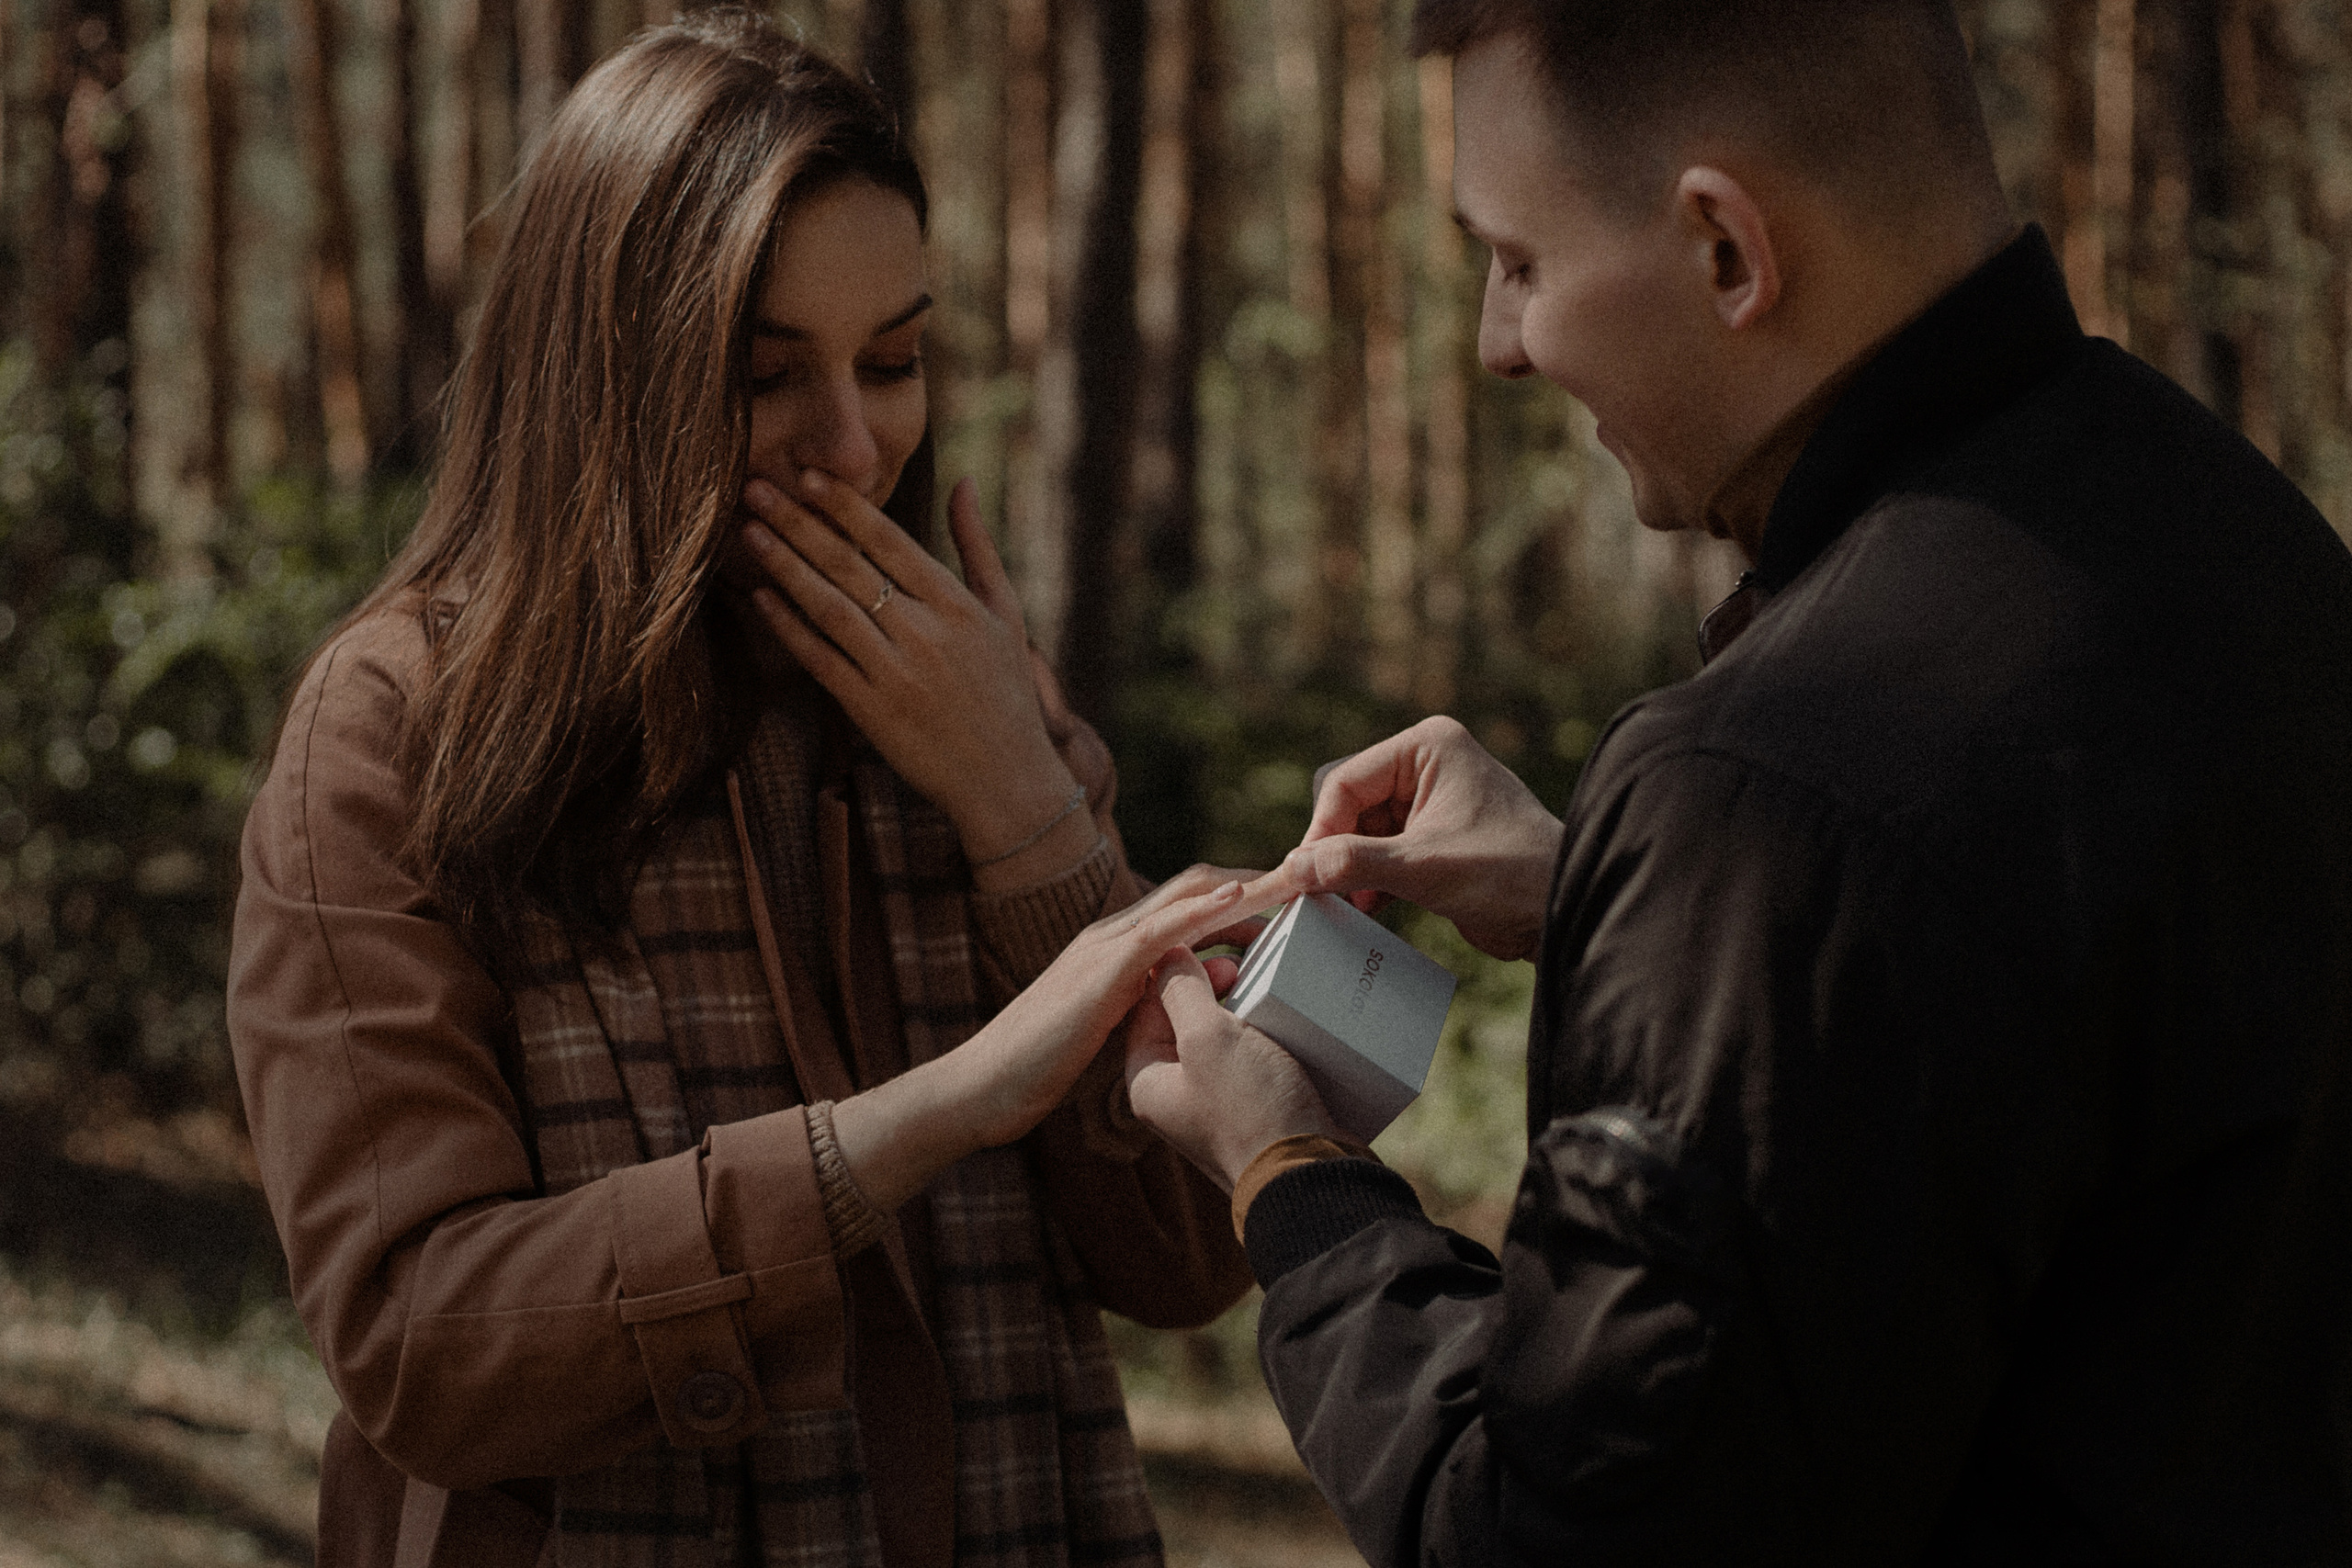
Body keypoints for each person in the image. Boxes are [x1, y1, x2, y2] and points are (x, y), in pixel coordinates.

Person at [1121, 2, 2352, 1563]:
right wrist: (1613, 909)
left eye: (1519, 265)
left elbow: (1563, 1533)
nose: (1498, 348)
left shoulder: (1768, 795)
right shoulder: (2253, 547)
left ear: (1725, 251)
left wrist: (1291, 1179)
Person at [226, 14, 1254, 1565]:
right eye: (769, 377)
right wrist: (904, 1130)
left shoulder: (965, 691)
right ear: (606, 376)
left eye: (895, 360)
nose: (856, 447)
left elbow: (1181, 1259)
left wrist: (1024, 816)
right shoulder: (393, 731)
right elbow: (417, 1347)